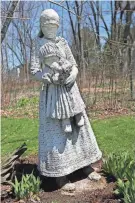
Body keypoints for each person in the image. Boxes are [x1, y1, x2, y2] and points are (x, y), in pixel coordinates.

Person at [31, 9, 102, 191]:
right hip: (53, 96)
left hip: (71, 92)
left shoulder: (63, 42)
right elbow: (34, 70)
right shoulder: (37, 44)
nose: (50, 29)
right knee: (57, 134)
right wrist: (46, 77)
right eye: (47, 25)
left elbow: (73, 63)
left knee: (79, 129)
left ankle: (85, 166)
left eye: (54, 25)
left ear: (58, 25)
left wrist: (74, 74)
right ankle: (60, 176)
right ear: (41, 26)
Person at [39, 43, 85, 133]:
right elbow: (45, 75)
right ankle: (65, 120)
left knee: (74, 100)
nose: (52, 62)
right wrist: (52, 78)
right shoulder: (48, 69)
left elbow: (71, 66)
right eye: (48, 60)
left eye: (53, 58)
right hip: (58, 90)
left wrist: (63, 69)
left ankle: (78, 115)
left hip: (69, 85)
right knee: (62, 104)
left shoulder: (64, 62)